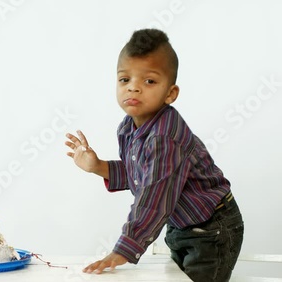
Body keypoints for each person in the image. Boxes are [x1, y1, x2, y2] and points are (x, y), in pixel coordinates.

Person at [65, 28, 244, 281]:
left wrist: (124, 249)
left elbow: (154, 197)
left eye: (149, 81)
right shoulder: (128, 127)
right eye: (125, 79)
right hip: (181, 223)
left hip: (211, 227)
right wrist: (99, 166)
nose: (134, 89)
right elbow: (141, 174)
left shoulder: (165, 138)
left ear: (170, 93)